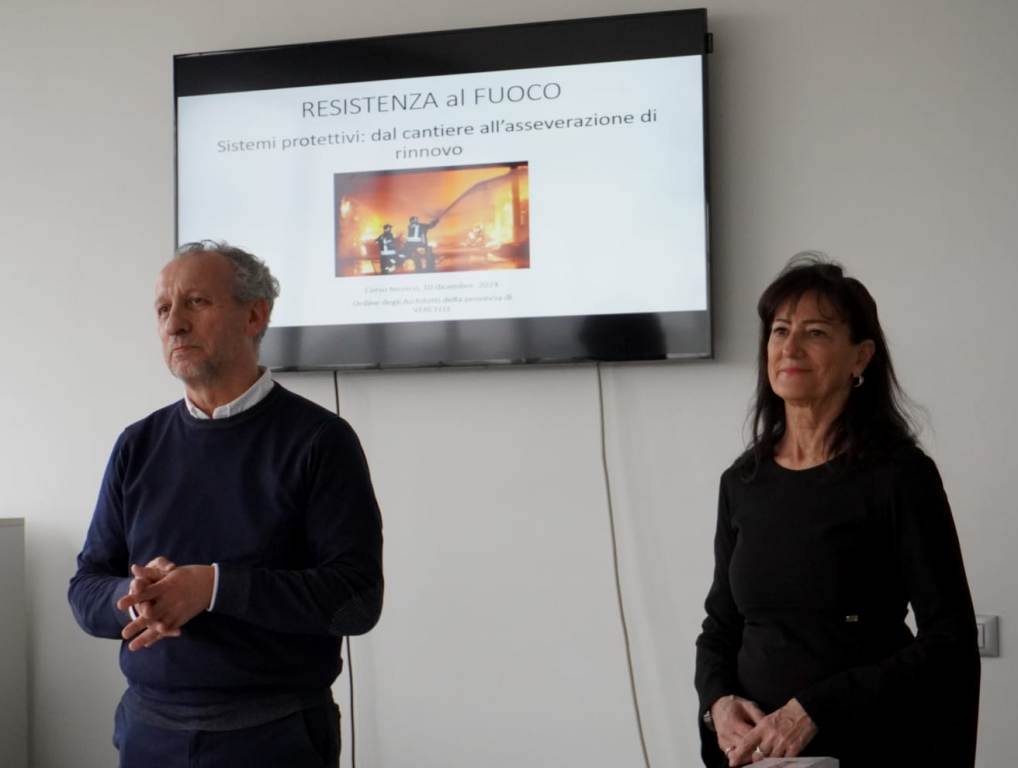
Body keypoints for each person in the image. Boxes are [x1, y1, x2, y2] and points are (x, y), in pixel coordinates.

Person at [68, 240, 383, 768]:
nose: (174, 325)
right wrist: (137, 597)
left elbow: (356, 600)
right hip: (149, 734)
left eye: (196, 302)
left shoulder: (320, 440)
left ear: (254, 315)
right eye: (163, 309)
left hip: (276, 737)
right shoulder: (136, 445)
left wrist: (213, 588)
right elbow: (85, 589)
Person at [694, 256, 979, 768]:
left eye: (816, 332)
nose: (790, 347)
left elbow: (949, 639)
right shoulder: (741, 483)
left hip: (871, 746)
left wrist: (815, 709)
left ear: (860, 358)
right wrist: (718, 701)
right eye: (780, 330)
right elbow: (720, 626)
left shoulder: (900, 475)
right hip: (757, 757)